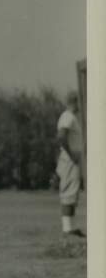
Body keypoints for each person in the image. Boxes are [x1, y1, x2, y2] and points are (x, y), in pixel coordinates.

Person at [56, 90, 85, 238]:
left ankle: (70, 228)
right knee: (68, 192)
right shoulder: (67, 116)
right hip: (69, 159)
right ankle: (67, 229)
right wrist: (71, 153)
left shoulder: (72, 117)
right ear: (74, 102)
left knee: (72, 192)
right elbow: (61, 136)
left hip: (72, 159)